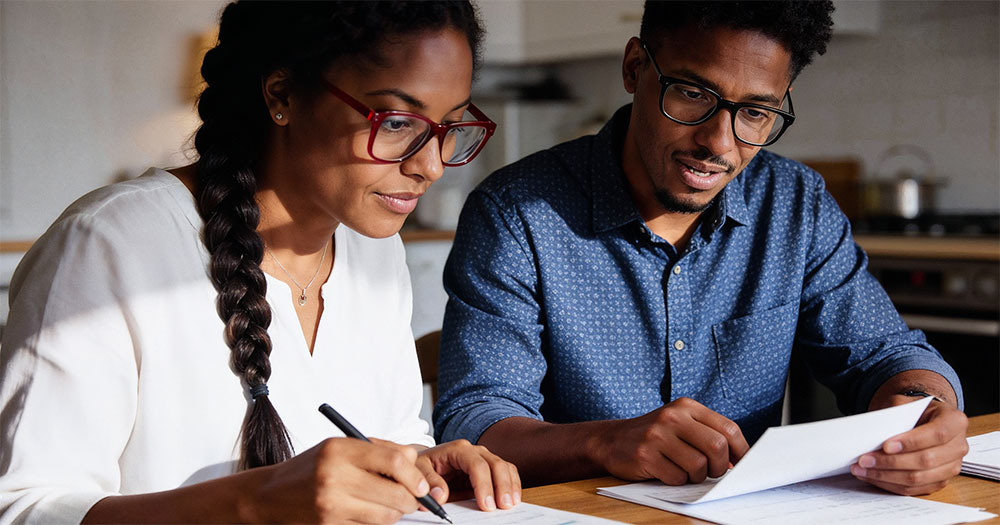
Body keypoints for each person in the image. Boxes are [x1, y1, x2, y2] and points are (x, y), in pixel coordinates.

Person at [0, 2, 521, 523]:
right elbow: (24, 508)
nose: (430, 165)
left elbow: (389, 436)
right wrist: (254, 502)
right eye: (398, 122)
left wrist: (421, 464)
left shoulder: (374, 250)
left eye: (451, 127)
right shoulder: (109, 244)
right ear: (284, 95)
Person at [434, 0, 969, 497]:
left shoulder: (794, 205)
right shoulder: (516, 212)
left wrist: (927, 409)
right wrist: (604, 442)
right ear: (635, 67)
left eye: (756, 113)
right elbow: (477, 421)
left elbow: (883, 356)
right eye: (692, 93)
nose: (719, 142)